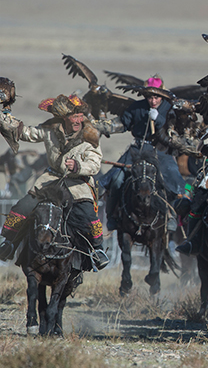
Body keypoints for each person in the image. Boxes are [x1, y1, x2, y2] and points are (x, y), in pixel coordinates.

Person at [0, 95, 108, 268]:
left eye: (81, 116)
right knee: (23, 207)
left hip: (78, 183)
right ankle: (9, 243)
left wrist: (78, 166)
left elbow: (95, 164)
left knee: (88, 216)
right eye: (75, 116)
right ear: (65, 117)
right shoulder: (50, 128)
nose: (78, 120)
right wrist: (5, 118)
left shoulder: (90, 135)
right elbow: (26, 133)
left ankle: (97, 250)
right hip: (51, 180)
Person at [97, 78, 186, 232]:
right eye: (150, 97)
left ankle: (171, 215)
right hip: (137, 150)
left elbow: (175, 131)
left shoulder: (171, 109)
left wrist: (159, 119)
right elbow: (121, 125)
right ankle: (112, 215)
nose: (153, 101)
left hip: (160, 151)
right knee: (116, 179)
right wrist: (100, 125)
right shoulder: (136, 107)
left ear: (162, 95)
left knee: (173, 179)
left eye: (156, 97)